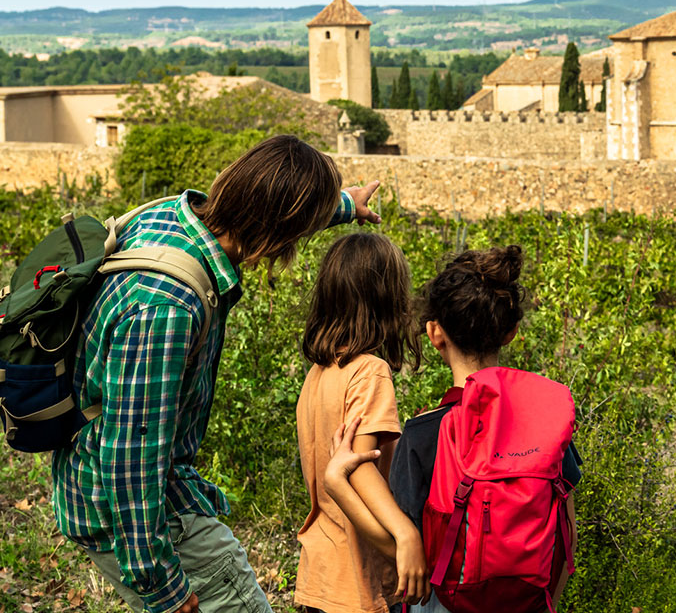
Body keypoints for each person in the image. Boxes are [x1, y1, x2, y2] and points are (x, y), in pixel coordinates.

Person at [54, 134, 384, 613]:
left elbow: (270, 209)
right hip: (131, 511)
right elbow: (131, 454)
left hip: (105, 487)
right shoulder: (165, 307)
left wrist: (343, 205)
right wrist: (159, 582)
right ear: (280, 228)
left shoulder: (172, 215)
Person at [325, 246, 582, 613]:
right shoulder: (547, 421)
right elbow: (566, 529)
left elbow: (406, 550)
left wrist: (337, 484)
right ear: (510, 332)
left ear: (434, 333)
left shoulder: (425, 432)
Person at [293, 233, 428, 613]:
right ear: (389, 300)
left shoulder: (318, 375)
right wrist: (406, 534)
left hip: (319, 571)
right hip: (356, 580)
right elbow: (358, 468)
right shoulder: (370, 371)